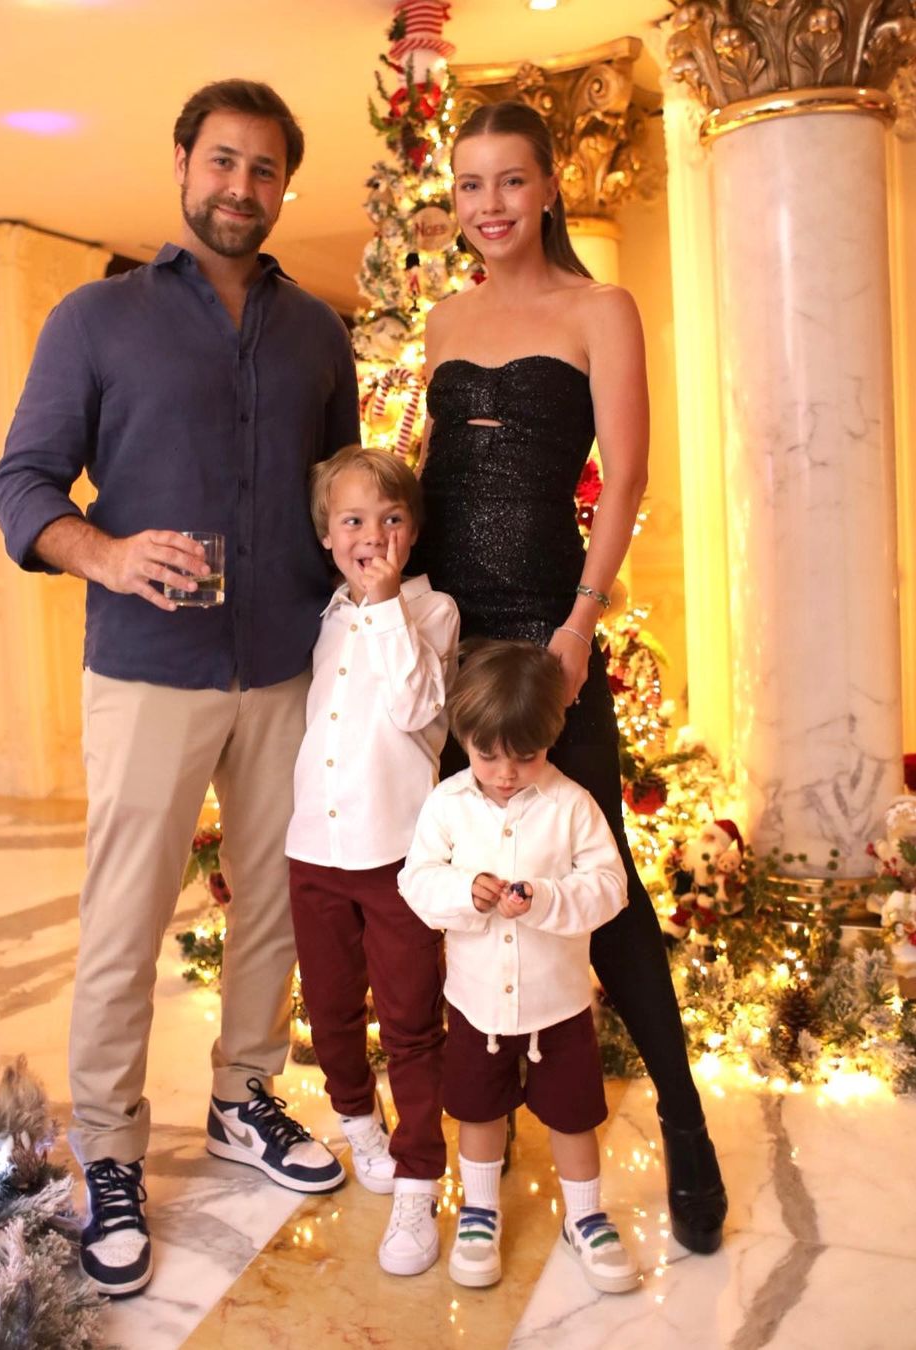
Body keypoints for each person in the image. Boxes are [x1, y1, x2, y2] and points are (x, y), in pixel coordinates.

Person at [0, 79, 360, 1297]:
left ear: (284, 185)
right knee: (125, 917)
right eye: (222, 162)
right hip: (149, 670)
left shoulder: (318, 334)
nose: (241, 187)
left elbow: (339, 495)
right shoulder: (96, 320)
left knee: (277, 903)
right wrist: (104, 553)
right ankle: (107, 1152)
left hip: (290, 664)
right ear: (183, 166)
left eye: (264, 169)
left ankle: (246, 1096)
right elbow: (24, 484)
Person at [414, 99, 727, 1255]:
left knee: (609, 877)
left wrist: (584, 620)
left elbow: (627, 475)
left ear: (548, 186)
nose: (489, 205)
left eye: (510, 181)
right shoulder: (444, 320)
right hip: (453, 637)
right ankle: (473, 1146)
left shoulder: (602, 309)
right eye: (470, 185)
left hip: (550, 633)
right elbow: (432, 479)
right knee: (460, 864)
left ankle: (686, 1127)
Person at [399, 640, 638, 1292]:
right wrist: (464, 893)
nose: (505, 773)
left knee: (574, 1116)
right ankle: (480, 1212)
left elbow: (610, 887)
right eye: (488, 756)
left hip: (558, 1005)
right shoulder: (447, 805)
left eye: (525, 757)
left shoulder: (572, 806)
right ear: (465, 740)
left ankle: (584, 1217)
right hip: (476, 1003)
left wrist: (548, 899)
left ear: (550, 739)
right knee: (477, 1112)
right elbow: (417, 881)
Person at [285, 445, 459, 1276]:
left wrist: (386, 604)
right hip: (313, 851)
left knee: (412, 1021)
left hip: (397, 857)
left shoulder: (433, 612)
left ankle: (420, 1181)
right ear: (327, 534)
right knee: (329, 1010)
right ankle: (358, 1121)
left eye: (391, 519)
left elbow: (418, 707)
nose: (372, 536)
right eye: (352, 520)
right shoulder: (323, 617)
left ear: (412, 532)